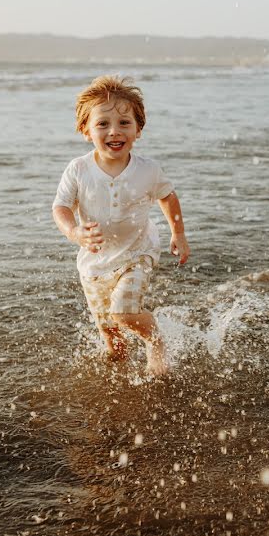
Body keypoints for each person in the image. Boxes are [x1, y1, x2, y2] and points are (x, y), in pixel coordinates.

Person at [53, 75, 190, 373]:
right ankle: (118, 381)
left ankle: (155, 340)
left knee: (124, 313)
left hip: (137, 253)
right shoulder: (78, 169)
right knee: (112, 339)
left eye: (124, 123)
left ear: (138, 130)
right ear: (85, 130)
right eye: (103, 124)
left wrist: (178, 234)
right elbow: (61, 207)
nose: (114, 131)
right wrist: (74, 231)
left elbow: (168, 197)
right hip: (94, 264)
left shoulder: (148, 170)